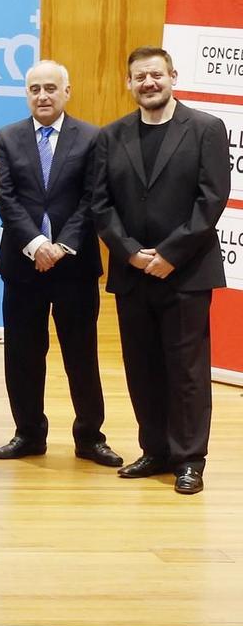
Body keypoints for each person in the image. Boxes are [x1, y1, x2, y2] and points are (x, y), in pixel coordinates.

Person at [93, 47, 230, 496]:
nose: (148, 83)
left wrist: (170, 253)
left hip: (187, 272)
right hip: (133, 272)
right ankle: (154, 450)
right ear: (128, 84)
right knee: (142, 366)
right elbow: (101, 204)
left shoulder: (206, 128)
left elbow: (211, 199)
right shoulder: (111, 136)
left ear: (172, 76)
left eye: (156, 75)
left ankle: (190, 458)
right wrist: (131, 253)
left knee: (186, 371)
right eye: (139, 77)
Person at [0, 61, 118, 467]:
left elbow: (93, 198)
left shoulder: (92, 137)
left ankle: (89, 437)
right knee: (23, 355)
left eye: (50, 88)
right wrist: (36, 243)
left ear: (67, 91)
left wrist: (61, 245)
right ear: (26, 94)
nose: (42, 96)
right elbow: (5, 198)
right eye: (34, 89)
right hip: (22, 265)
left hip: (74, 266)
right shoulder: (7, 137)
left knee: (80, 354)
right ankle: (28, 433)